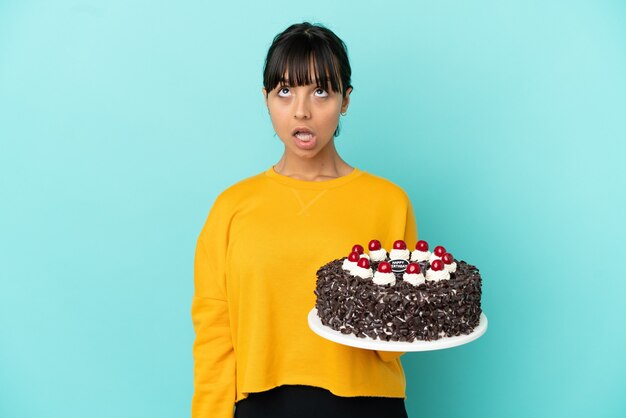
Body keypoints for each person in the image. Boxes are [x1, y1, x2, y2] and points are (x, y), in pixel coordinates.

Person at [191, 22, 417, 418]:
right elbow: (214, 338)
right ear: (266, 99)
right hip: (261, 405)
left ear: (345, 100)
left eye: (320, 91)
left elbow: (393, 340)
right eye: (284, 91)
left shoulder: (389, 203)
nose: (301, 110)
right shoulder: (231, 207)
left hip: (367, 407)